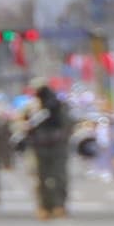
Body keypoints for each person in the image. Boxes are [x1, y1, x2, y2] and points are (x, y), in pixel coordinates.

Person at [25, 80, 75, 217]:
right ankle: (47, 206)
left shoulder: (57, 105)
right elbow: (24, 125)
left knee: (56, 176)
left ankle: (57, 205)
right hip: (41, 146)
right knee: (43, 177)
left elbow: (67, 123)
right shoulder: (32, 107)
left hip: (55, 146)